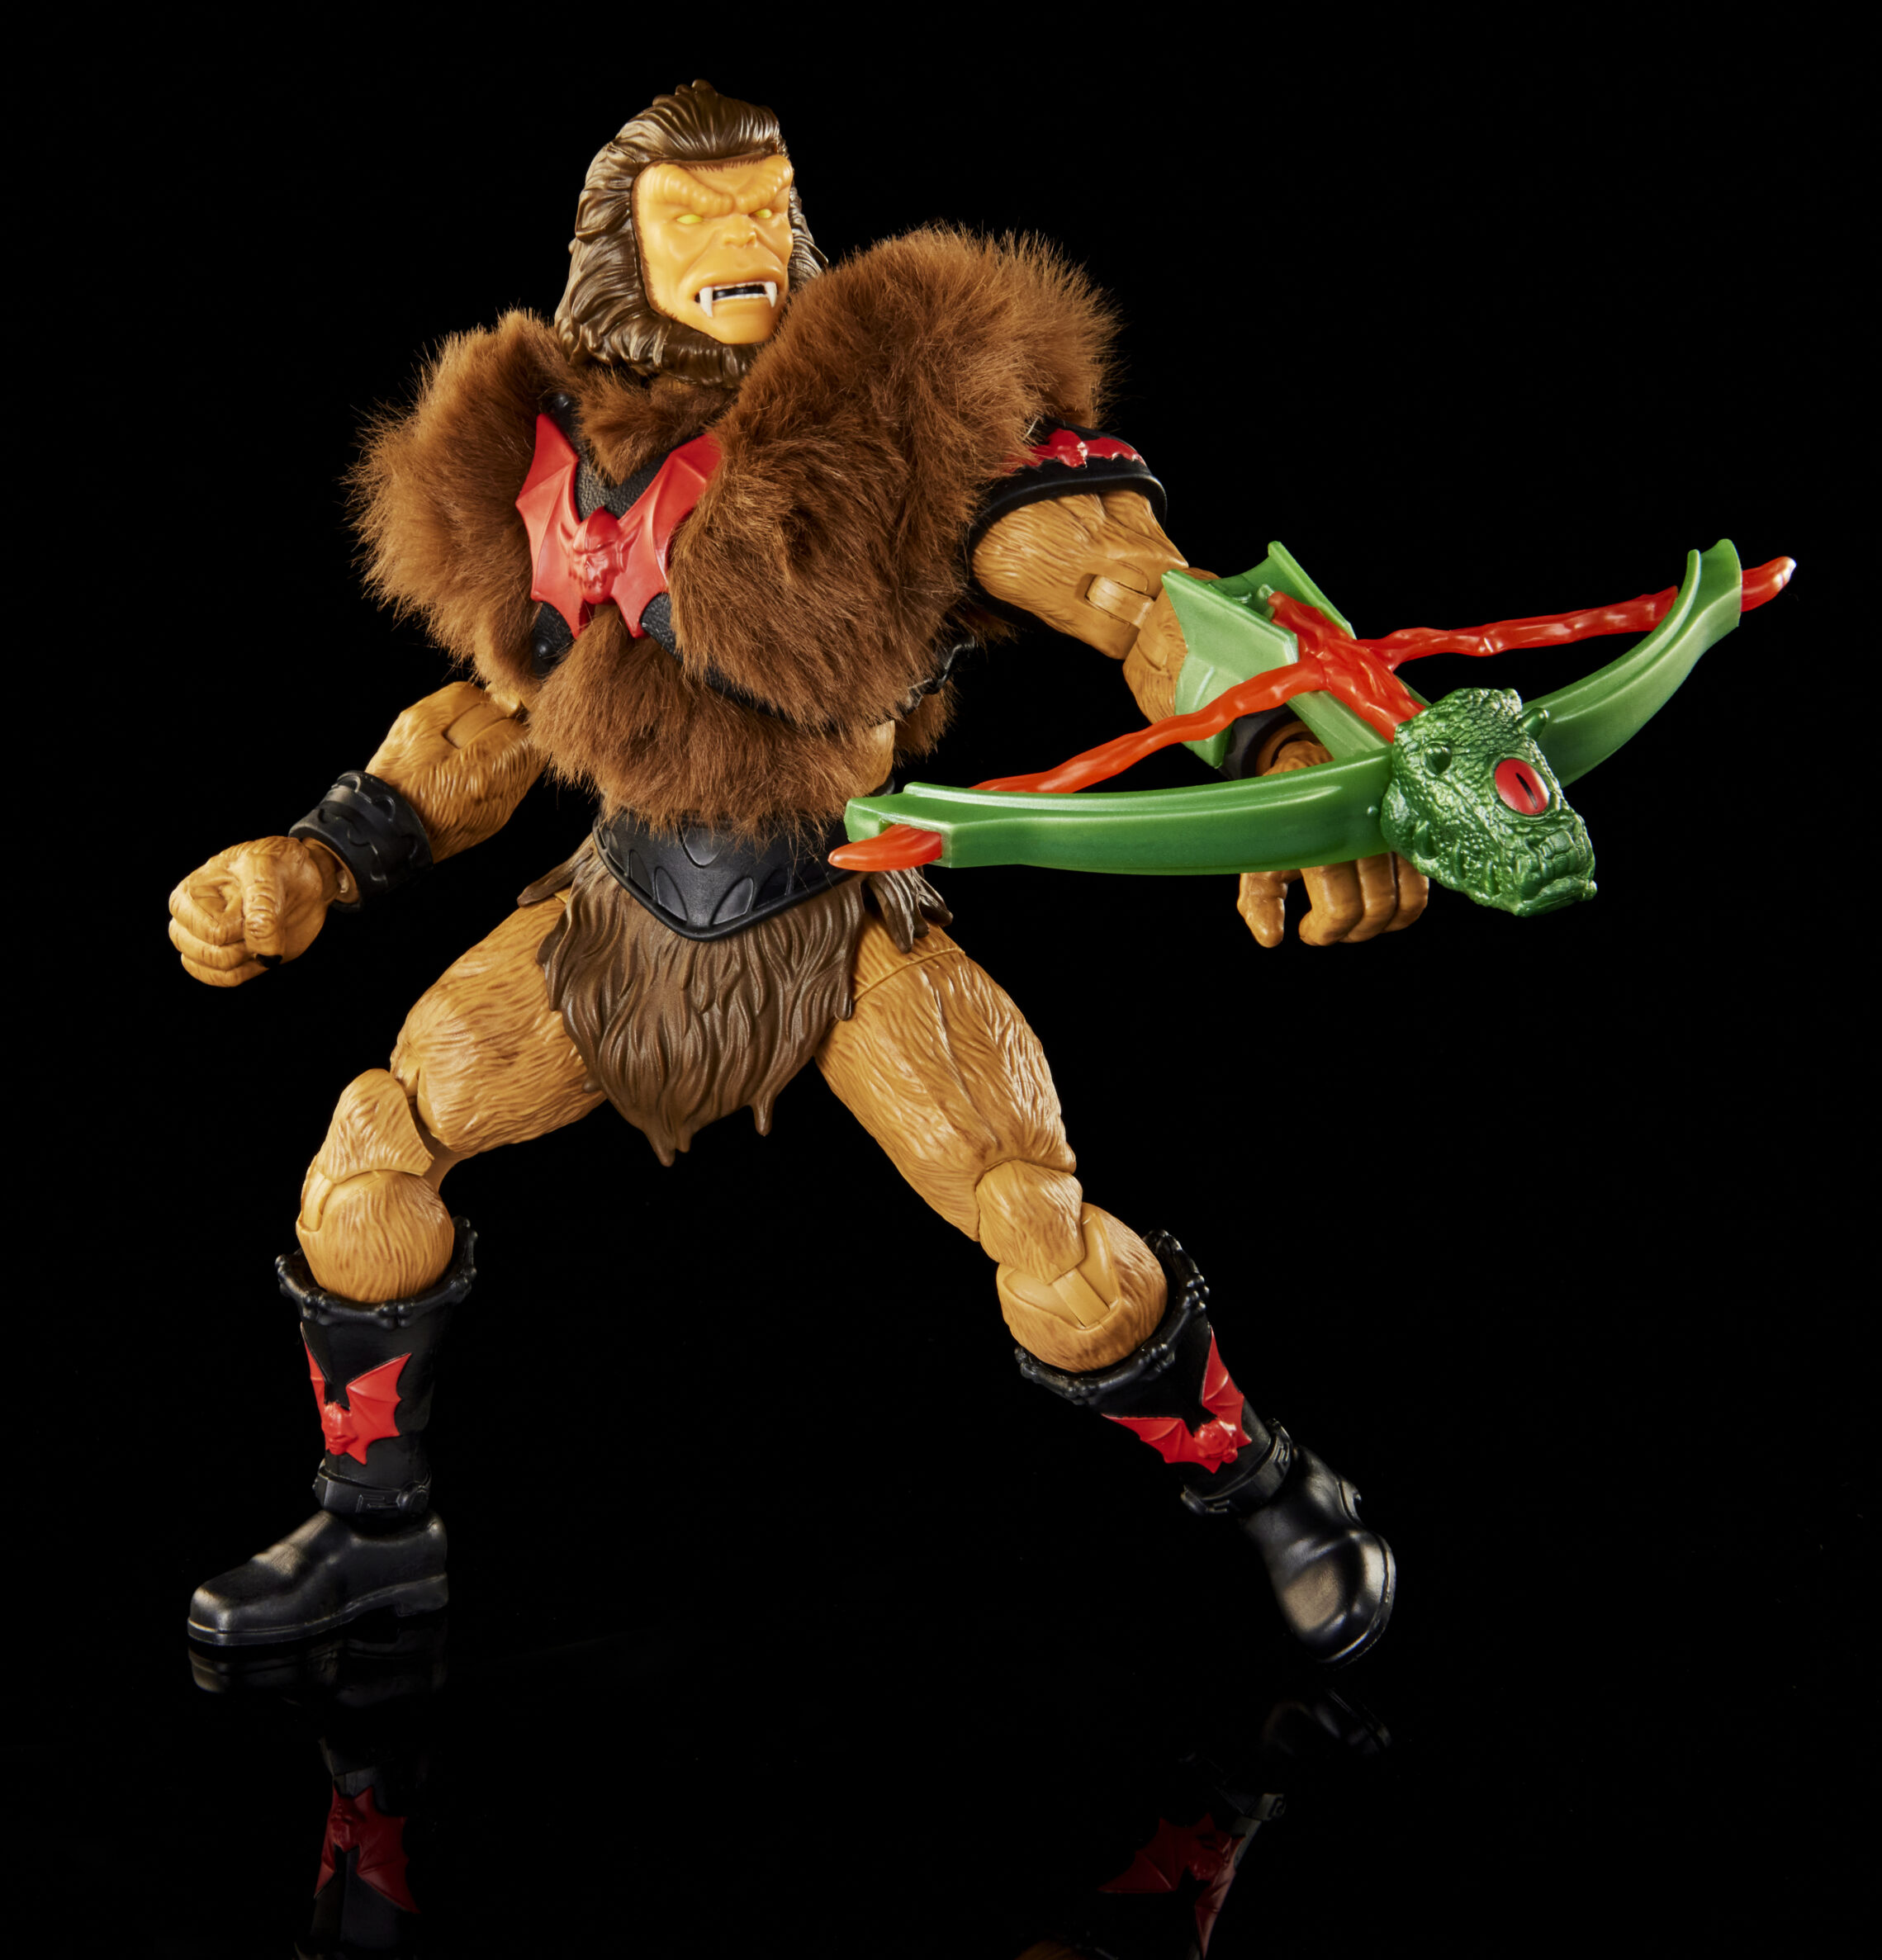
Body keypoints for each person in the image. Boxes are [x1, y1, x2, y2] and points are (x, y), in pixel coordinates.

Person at [173, 81, 1422, 1665]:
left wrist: (1293, 761)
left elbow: (1133, 593)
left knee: (1043, 1230)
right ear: (618, 247)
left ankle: (1271, 1487)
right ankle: (371, 1537)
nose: (749, 239)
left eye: (769, 204)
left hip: (839, 911)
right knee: (368, 1162)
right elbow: (497, 721)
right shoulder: (549, 464)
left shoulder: (904, 427)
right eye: (700, 214)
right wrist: (321, 856)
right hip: (617, 904)